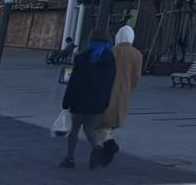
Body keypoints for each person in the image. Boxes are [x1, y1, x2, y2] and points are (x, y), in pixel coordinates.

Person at [59, 31, 117, 169]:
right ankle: (96, 148)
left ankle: (70, 158)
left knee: (74, 129)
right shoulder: (110, 59)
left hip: (80, 100)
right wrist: (105, 101)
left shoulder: (82, 57)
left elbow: (73, 82)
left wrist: (66, 101)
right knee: (89, 128)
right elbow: (110, 83)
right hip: (98, 101)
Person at [96, 25, 144, 166]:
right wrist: (129, 88)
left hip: (108, 90)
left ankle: (108, 144)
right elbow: (136, 76)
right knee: (113, 122)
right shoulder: (137, 54)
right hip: (124, 92)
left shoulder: (112, 51)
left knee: (101, 121)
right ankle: (103, 151)